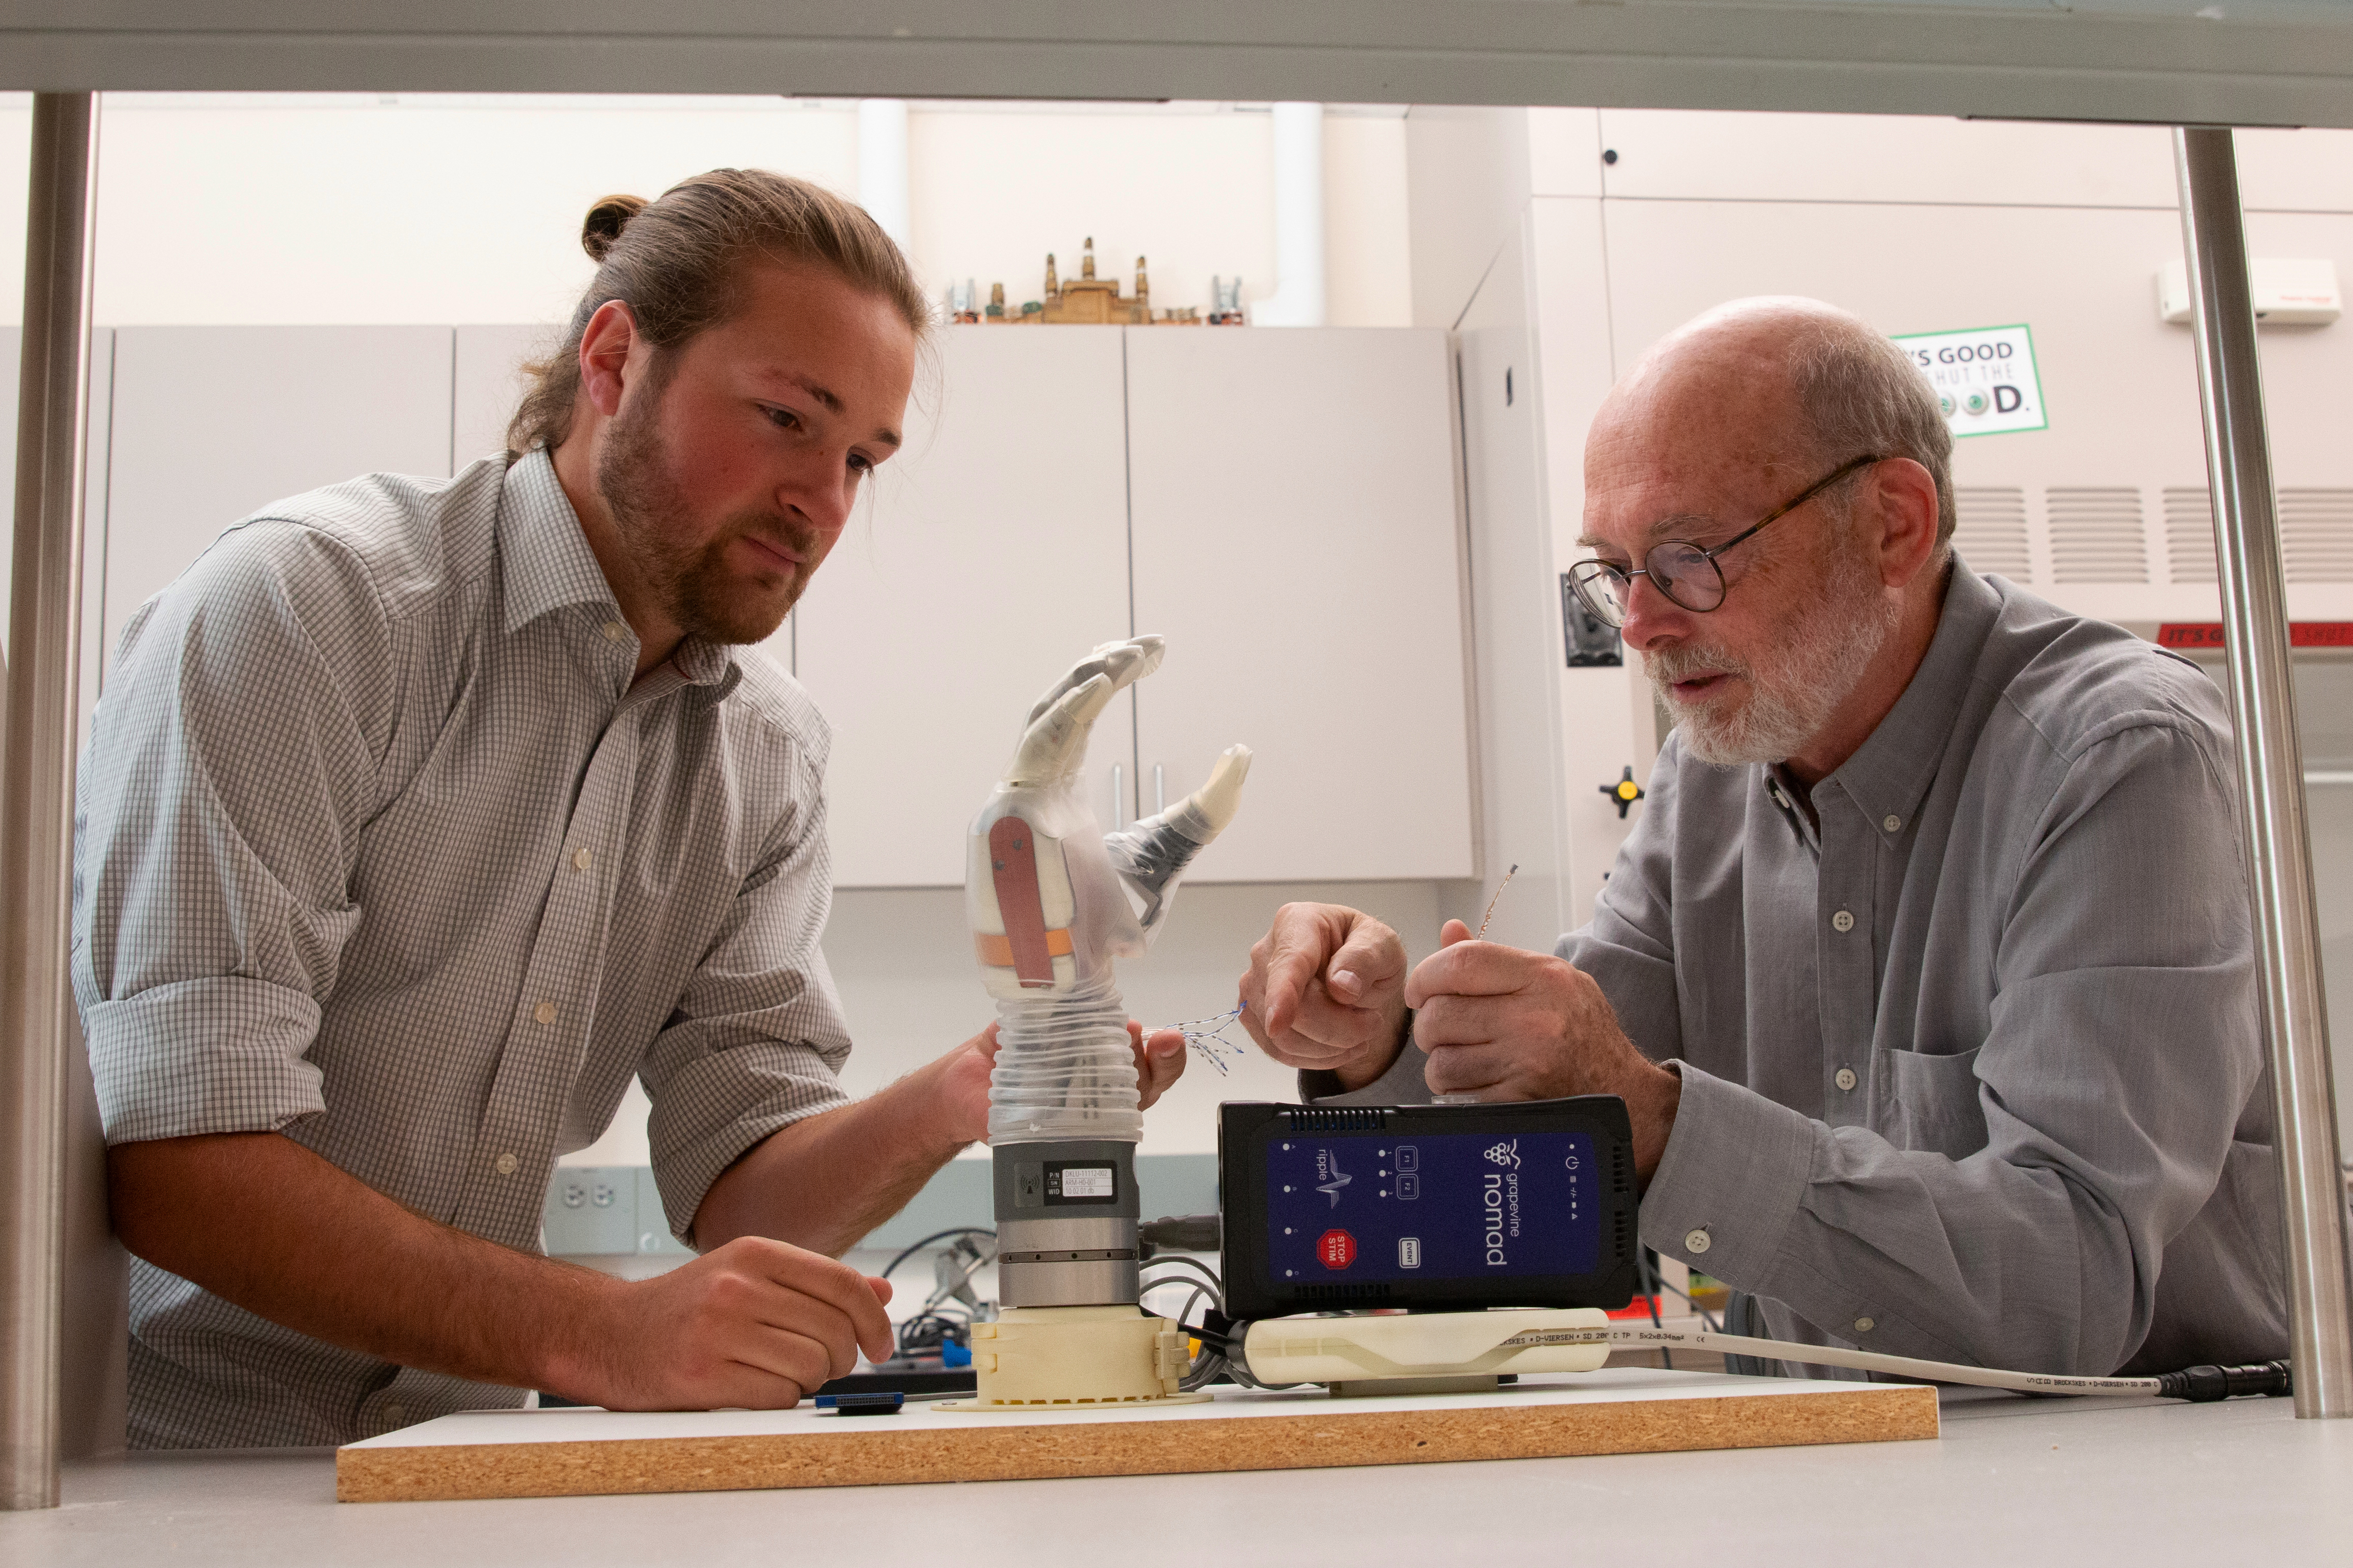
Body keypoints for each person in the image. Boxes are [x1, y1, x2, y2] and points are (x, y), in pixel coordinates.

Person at [74, 171, 1185, 1448]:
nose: (823, 505)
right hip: (153, 1465)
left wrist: (959, 1096)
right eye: (783, 418)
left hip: (456, 1464)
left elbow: (737, 1187)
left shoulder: (766, 755)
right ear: (613, 361)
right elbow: (178, 1157)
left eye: (860, 460)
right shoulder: (313, 611)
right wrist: (604, 1331)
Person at [1239, 296, 2287, 1378]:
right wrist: (1376, 1043)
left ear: (1892, 523)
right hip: (1827, 1460)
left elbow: (2069, 1277)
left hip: (2135, 1483)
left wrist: (1654, 1118)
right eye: (1613, 570)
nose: (1639, 623)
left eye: (1690, 555)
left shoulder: (2114, 753)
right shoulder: (1710, 773)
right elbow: (1548, 1104)